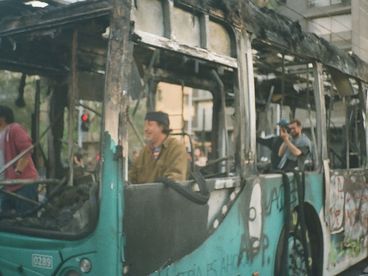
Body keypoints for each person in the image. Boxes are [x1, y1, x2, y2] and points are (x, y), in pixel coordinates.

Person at [129, 111, 188, 184]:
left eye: (149, 125)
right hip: (144, 194)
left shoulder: (176, 148)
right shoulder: (144, 152)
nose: (145, 129)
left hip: (166, 194)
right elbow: (132, 177)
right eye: (145, 125)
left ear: (161, 127)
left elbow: (176, 178)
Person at [0, 105, 38, 214]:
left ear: (2, 117)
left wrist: (18, 170)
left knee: (26, 219)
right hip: (6, 186)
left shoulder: (14, 128)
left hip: (23, 184)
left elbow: (27, 149)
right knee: (6, 220)